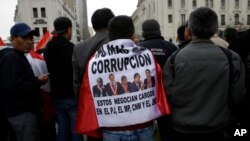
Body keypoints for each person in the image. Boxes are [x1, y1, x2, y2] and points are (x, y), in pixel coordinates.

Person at [76, 15, 171, 141]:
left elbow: (87, 96)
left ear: (109, 35)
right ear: (132, 34)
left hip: (111, 129)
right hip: (144, 126)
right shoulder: (147, 56)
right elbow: (159, 86)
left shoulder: (94, 61)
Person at [163, 7, 245, 141]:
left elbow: (169, 94)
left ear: (189, 30)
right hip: (219, 128)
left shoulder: (174, 59)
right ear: (216, 30)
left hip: (182, 129)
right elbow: (237, 96)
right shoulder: (231, 58)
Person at [0, 23, 48, 141]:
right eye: (24, 38)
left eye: (31, 38)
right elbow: (14, 87)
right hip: (22, 114)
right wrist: (38, 82)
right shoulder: (12, 57)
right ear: (13, 38)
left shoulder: (17, 55)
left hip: (21, 112)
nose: (29, 42)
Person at [44, 17, 83, 141]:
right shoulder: (72, 48)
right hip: (71, 95)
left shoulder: (48, 49)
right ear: (69, 30)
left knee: (62, 127)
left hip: (56, 95)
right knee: (75, 128)